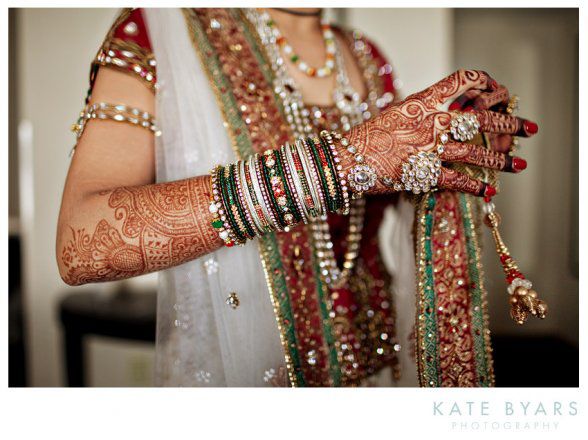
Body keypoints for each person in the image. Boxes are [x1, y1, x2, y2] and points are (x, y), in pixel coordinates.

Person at [56, 8, 538, 387]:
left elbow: (380, 191)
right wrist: (343, 163)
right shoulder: (162, 33)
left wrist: (450, 152)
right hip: (239, 381)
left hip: (375, 376)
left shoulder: (367, 57)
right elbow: (81, 245)